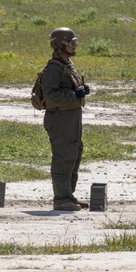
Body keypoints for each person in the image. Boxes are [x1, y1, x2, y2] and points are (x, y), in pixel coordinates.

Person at [40, 28, 90, 212]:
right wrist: (73, 95)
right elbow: (51, 96)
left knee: (74, 153)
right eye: (71, 43)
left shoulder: (67, 64)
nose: (75, 46)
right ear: (60, 45)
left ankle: (68, 195)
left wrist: (82, 89)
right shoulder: (53, 68)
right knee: (63, 156)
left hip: (72, 116)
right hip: (60, 118)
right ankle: (61, 198)